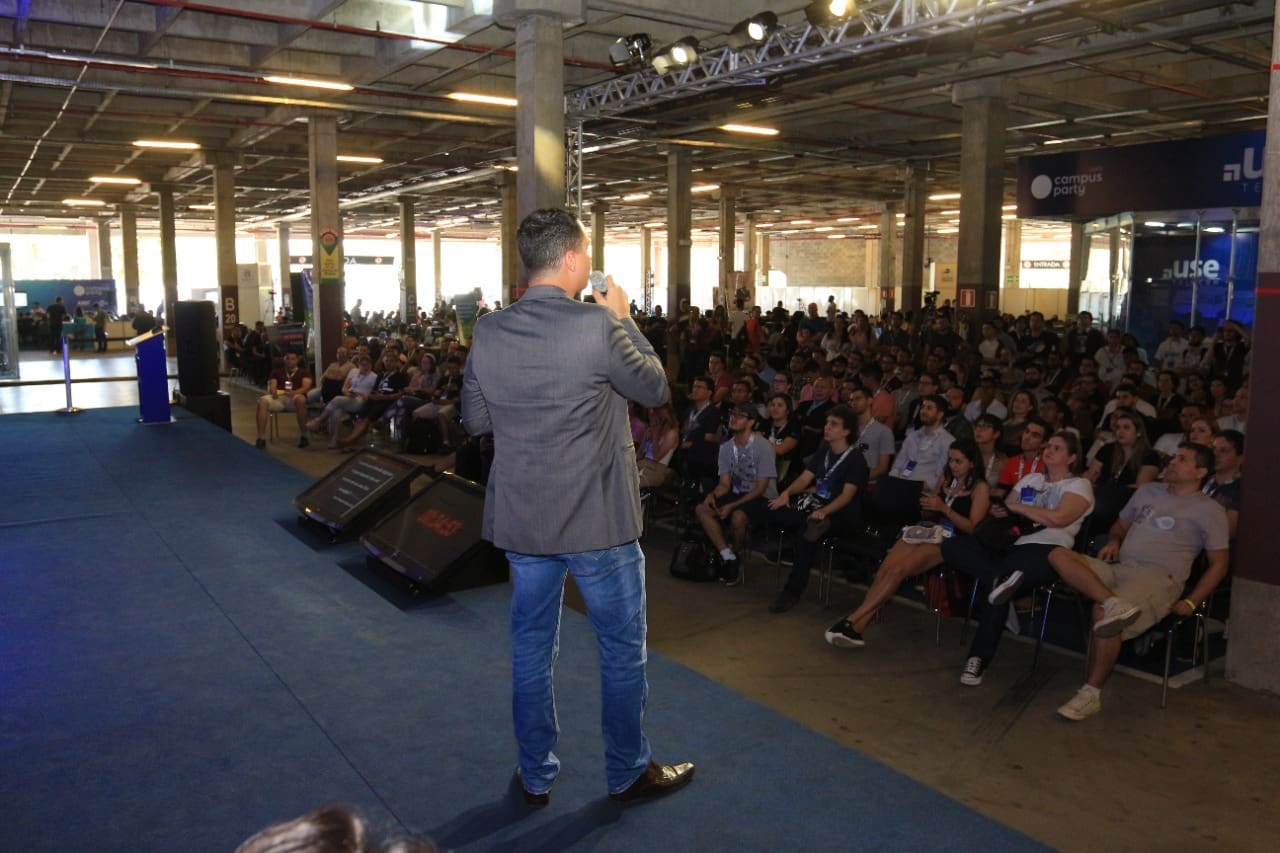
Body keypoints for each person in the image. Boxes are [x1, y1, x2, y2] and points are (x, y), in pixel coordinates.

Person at [460, 208, 692, 806]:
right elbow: (656, 389)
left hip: (524, 519)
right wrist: (625, 317)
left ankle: (535, 774)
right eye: (586, 252)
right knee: (620, 651)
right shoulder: (599, 325)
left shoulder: (489, 331)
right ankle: (627, 771)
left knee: (531, 649)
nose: (589, 261)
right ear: (569, 259)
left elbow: (475, 420)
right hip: (599, 521)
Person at [997, 443, 1230, 721]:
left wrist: (1192, 602)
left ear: (1201, 472)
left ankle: (1091, 693)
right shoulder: (1148, 491)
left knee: (1104, 614)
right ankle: (1107, 600)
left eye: (1182, 459)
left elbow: (1219, 564)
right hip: (1120, 568)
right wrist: (1115, 541)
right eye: (1174, 456)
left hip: (1159, 578)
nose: (1172, 461)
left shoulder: (1210, 510)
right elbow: (1118, 527)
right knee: (1057, 553)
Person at [943, 431, 1095, 687]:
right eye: (1048, 446)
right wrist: (1000, 511)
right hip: (1011, 544)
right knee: (951, 547)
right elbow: (1008, 510)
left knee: (998, 584)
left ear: (1071, 458)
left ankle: (978, 658)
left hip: (1047, 550)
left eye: (1057, 448)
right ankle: (1002, 581)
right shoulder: (1031, 478)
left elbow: (1058, 518)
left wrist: (1017, 508)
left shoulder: (1078, 485)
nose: (1048, 450)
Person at [825, 438, 991, 646]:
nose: (953, 466)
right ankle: (857, 627)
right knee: (885, 570)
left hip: (952, 541)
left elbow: (973, 528)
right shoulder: (946, 478)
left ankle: (851, 619)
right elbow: (933, 512)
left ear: (972, 463)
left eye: (958, 461)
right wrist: (927, 506)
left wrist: (944, 509)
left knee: (898, 571)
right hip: (928, 530)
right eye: (950, 460)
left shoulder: (980, 488)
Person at [767, 405, 869, 614]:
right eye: (827, 423)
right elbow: (805, 478)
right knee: (773, 509)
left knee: (808, 532)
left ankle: (792, 592)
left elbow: (847, 496)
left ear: (846, 431)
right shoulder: (824, 451)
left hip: (841, 515)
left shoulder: (856, 459)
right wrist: (786, 493)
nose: (827, 427)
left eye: (834, 424)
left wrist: (826, 511)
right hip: (816, 505)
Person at [695, 403, 777, 584]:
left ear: (751, 422)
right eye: (732, 413)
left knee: (738, 517)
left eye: (740, 416)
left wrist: (731, 505)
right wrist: (713, 495)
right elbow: (725, 484)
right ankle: (728, 555)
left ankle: (735, 550)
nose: (733, 418)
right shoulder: (726, 447)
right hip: (737, 491)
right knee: (702, 509)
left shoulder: (763, 447)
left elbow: (761, 488)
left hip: (762, 496)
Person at [254, 351, 313, 449]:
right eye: (287, 358)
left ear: (297, 360)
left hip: (295, 397)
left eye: (292, 359)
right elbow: (272, 385)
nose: (290, 361)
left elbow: (306, 387)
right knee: (262, 401)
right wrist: (274, 391)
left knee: (301, 399)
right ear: (284, 360)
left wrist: (294, 393)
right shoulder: (276, 371)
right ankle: (261, 438)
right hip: (280, 397)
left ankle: (304, 435)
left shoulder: (303, 372)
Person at [636, 401, 679, 489]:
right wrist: (645, 439)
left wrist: (655, 435)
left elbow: (656, 456)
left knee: (632, 484)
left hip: (656, 469)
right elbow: (639, 455)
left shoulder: (671, 433)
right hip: (642, 463)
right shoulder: (651, 429)